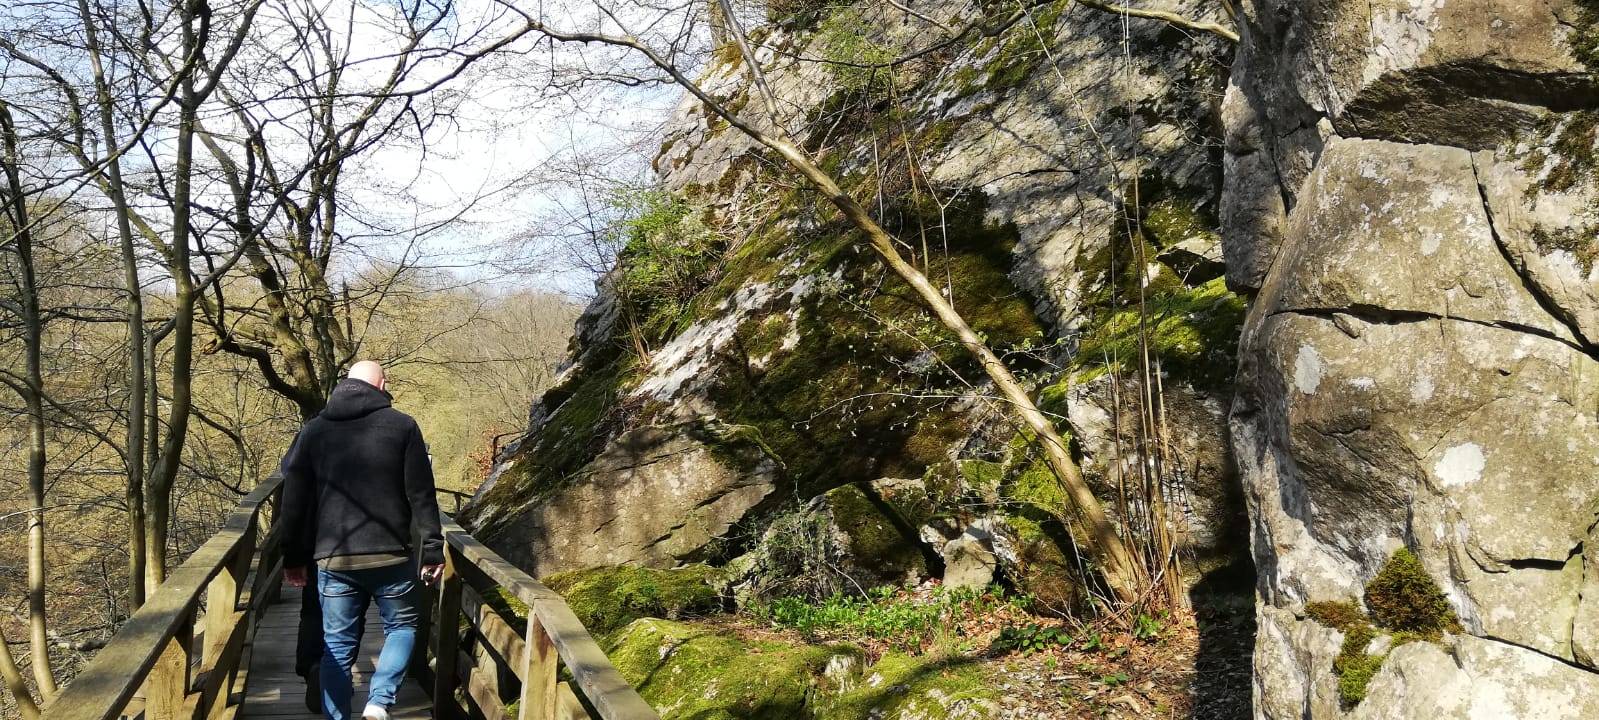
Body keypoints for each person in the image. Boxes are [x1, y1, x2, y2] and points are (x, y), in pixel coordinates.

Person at [280, 361, 445, 720]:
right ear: (382, 384)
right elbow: (421, 494)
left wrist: (293, 557)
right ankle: (379, 701)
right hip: (390, 555)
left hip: (333, 558)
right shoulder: (403, 426)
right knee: (402, 627)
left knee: (336, 646)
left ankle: (337, 716)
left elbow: (293, 500)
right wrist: (432, 548)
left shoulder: (314, 431)